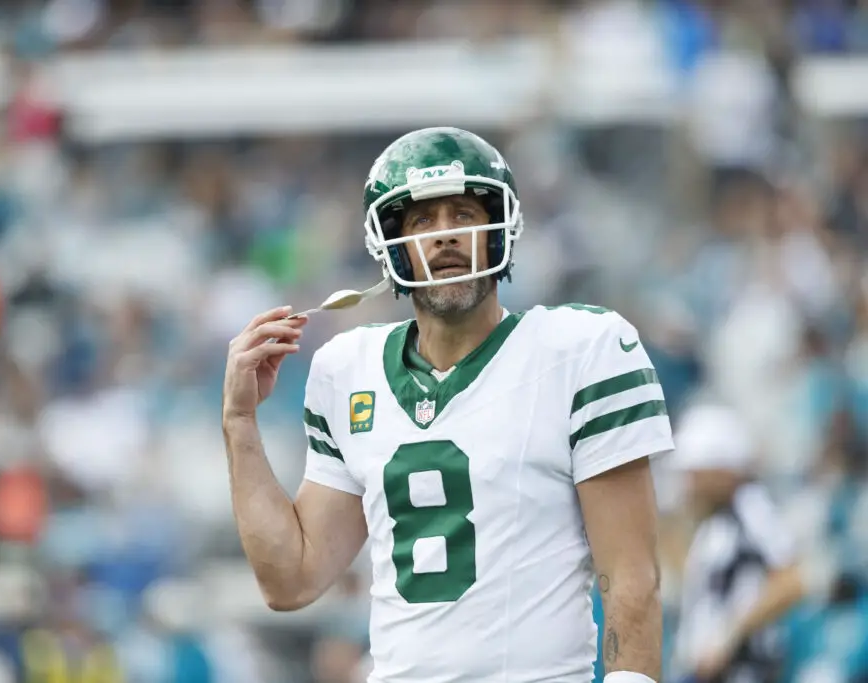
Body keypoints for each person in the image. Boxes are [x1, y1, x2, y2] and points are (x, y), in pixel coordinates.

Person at [222, 127, 674, 683]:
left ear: (499, 228)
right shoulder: (347, 369)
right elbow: (290, 580)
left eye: (463, 215)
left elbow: (630, 578)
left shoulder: (580, 350)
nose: (445, 237)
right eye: (422, 222)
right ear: (390, 243)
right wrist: (240, 423)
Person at [668, 402, 806, 683]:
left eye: (696, 474)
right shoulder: (719, 523)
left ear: (721, 470)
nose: (690, 485)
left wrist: (728, 636)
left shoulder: (751, 509)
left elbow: (791, 581)